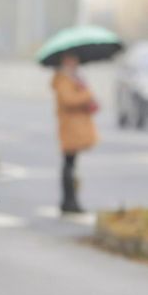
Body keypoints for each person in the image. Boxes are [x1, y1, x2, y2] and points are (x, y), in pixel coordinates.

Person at [51, 52, 98, 213]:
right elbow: (69, 100)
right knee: (69, 164)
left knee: (71, 164)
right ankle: (69, 201)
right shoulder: (63, 79)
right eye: (71, 60)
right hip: (70, 127)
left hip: (75, 126)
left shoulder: (72, 78)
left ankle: (71, 200)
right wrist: (87, 93)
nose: (75, 63)